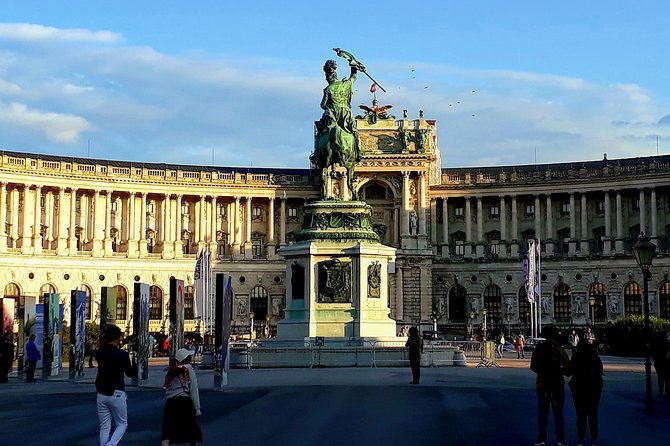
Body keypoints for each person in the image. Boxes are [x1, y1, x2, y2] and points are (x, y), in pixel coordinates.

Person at [530, 325, 572, 446]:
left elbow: (533, 367)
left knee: (542, 413)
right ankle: (560, 440)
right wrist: (561, 371)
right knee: (558, 414)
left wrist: (542, 371)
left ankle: (541, 439)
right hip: (557, 384)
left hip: (542, 384)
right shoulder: (560, 350)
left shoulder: (539, 349)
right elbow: (568, 369)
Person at [95, 324, 135, 446]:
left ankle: (104, 444)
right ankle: (111, 444)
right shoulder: (122, 354)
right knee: (122, 423)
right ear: (118, 338)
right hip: (117, 391)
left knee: (105, 425)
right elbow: (129, 373)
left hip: (101, 391)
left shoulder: (99, 353)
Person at [161, 348, 202, 446]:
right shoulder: (188, 371)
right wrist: (197, 408)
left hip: (170, 403)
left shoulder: (171, 371)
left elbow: (166, 387)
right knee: (191, 429)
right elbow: (193, 390)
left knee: (167, 430)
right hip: (184, 402)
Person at [569, 336, 604, 446]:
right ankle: (594, 439)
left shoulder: (576, 357)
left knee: (581, 415)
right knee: (593, 415)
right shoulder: (595, 357)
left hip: (579, 389)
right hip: (593, 388)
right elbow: (600, 373)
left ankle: (581, 438)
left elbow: (570, 372)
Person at [652, 332, 670, 396]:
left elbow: (655, 355)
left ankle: (661, 391)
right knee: (667, 378)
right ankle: (667, 391)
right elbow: (667, 356)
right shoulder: (667, 345)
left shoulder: (658, 345)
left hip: (658, 363)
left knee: (660, 377)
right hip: (665, 363)